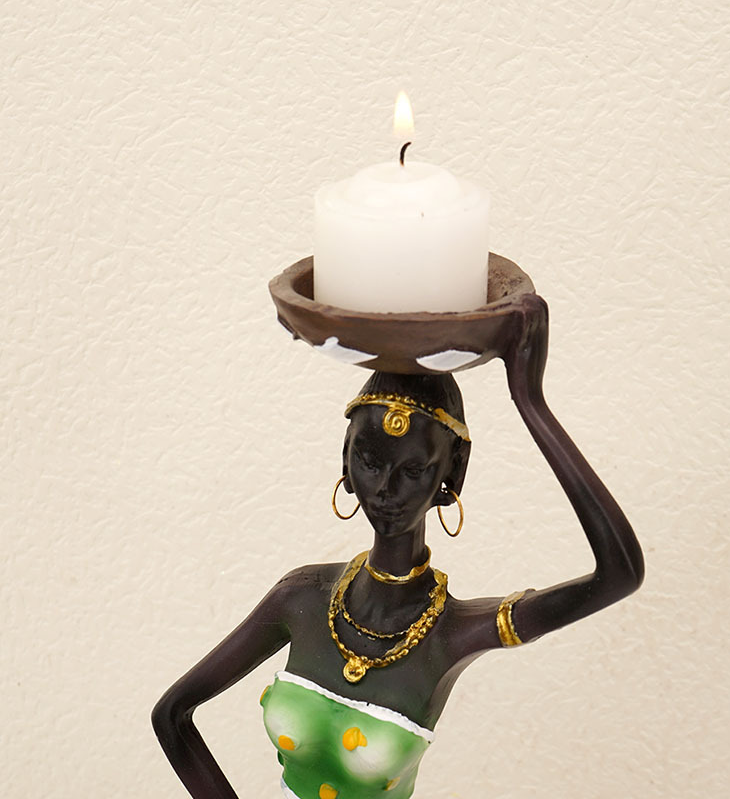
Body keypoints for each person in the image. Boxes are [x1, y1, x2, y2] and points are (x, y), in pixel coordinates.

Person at [152, 297, 644, 799]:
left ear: (453, 473)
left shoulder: (452, 634)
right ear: (344, 461)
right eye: (369, 462)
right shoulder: (301, 598)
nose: (386, 490)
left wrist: (529, 400)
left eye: (413, 470)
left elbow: (619, 574)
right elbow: (172, 715)